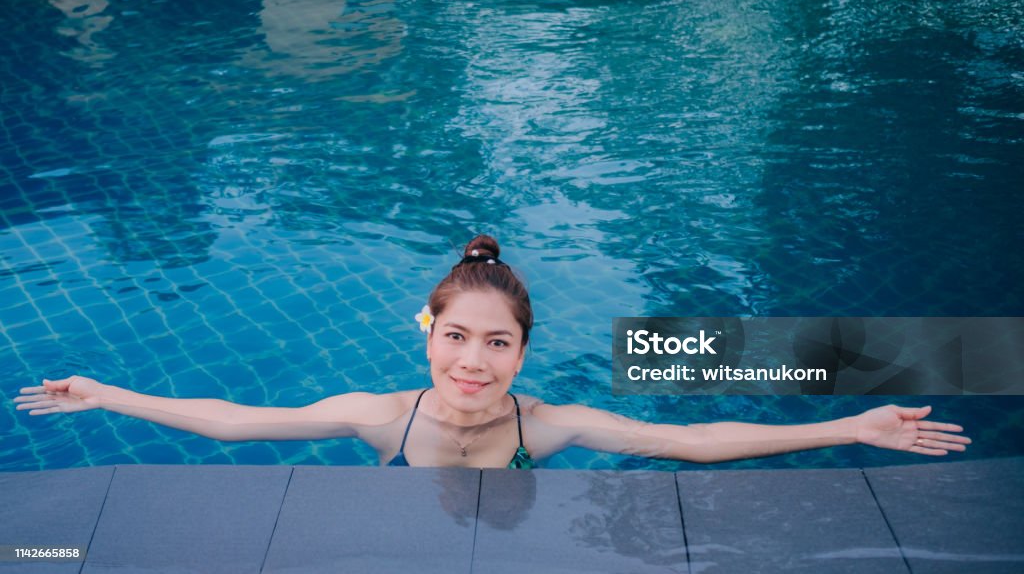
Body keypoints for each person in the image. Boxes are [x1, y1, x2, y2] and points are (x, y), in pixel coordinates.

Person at [13, 235, 971, 469]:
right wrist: (106, 392)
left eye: (498, 344)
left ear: (522, 353)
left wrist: (855, 421)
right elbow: (230, 424)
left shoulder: (547, 426)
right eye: (458, 337)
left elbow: (694, 438)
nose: (474, 364)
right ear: (429, 336)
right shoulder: (383, 414)